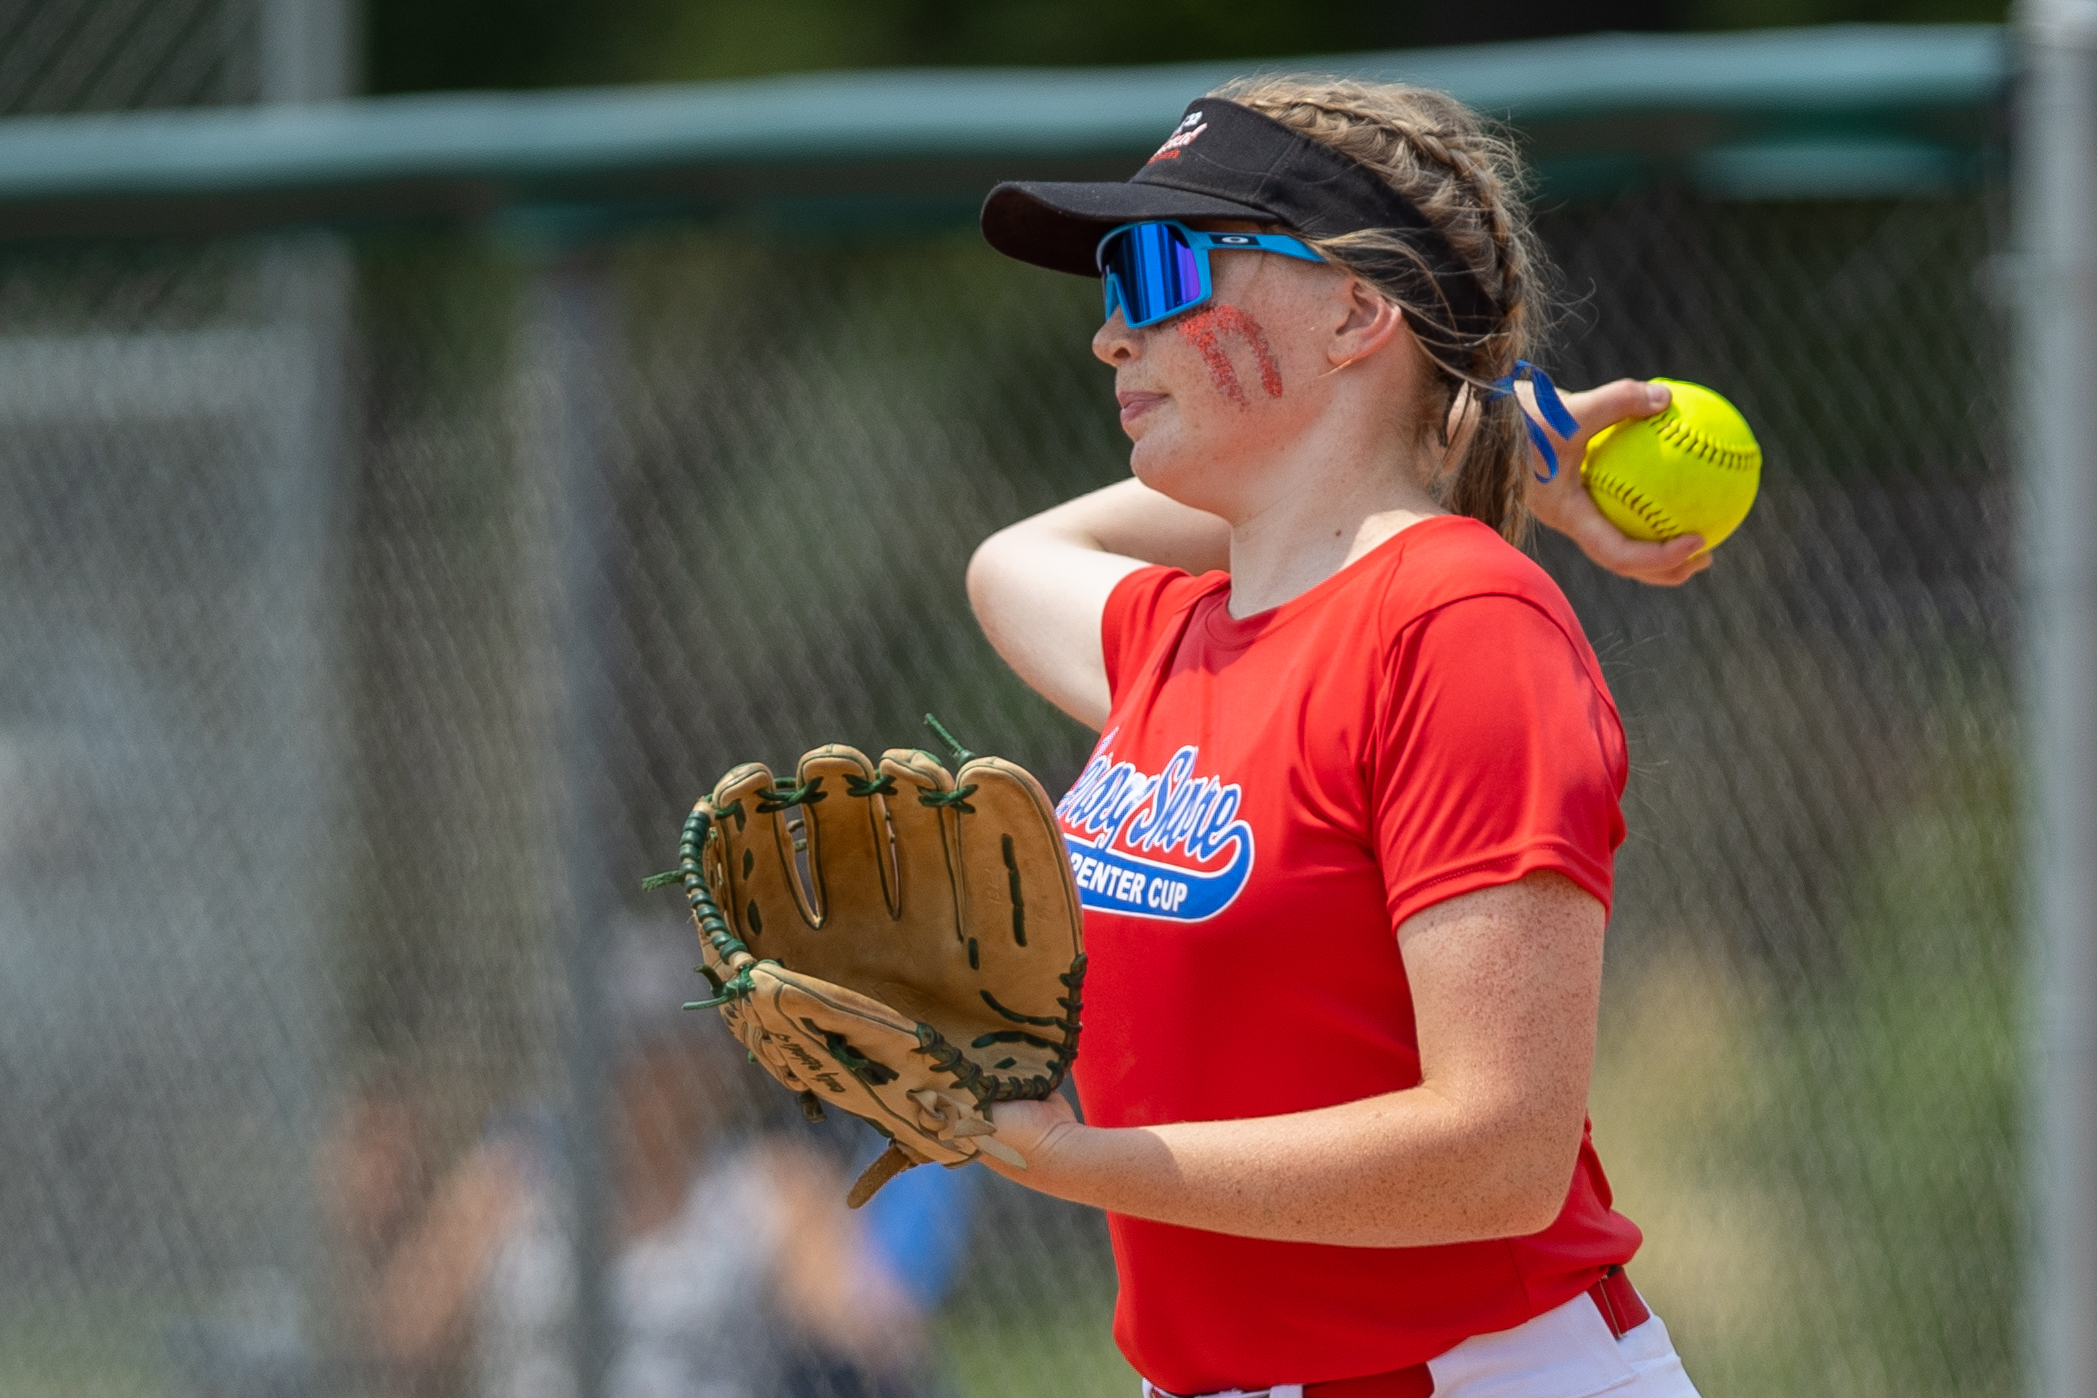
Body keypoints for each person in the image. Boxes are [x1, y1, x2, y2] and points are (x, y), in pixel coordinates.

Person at [964, 78, 1706, 1398]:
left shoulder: (1459, 620)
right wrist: (1470, 433)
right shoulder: (1179, 638)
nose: (1110, 334)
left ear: (1357, 309)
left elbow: (1499, 1154)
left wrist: (1071, 1159)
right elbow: (1012, 561)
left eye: (1156, 266)